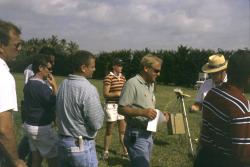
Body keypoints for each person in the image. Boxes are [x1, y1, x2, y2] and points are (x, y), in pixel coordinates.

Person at [194, 50, 250, 167]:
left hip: (204, 158)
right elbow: (243, 155)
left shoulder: (211, 94)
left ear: (227, 71)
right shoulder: (241, 107)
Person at [118, 54, 168, 167]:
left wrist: (160, 115)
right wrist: (143, 112)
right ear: (146, 68)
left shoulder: (150, 84)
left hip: (148, 134)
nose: (158, 74)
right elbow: (121, 109)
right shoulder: (132, 83)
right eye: (156, 71)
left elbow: (147, 106)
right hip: (136, 135)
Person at [56, 50, 104, 167]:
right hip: (80, 145)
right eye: (92, 67)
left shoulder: (63, 84)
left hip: (63, 142)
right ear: (83, 68)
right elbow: (96, 123)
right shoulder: (88, 89)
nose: (94, 69)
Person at [19, 47, 56, 167]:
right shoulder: (42, 87)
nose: (51, 72)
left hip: (29, 125)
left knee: (36, 157)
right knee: (54, 158)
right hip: (42, 128)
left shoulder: (29, 83)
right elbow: (54, 102)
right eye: (49, 69)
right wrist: (54, 86)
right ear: (40, 68)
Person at [0, 19, 27, 167]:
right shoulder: (3, 75)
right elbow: (3, 128)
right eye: (17, 45)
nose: (20, 48)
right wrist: (16, 161)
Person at [103, 58, 128, 159]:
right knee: (109, 130)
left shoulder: (123, 78)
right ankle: (105, 151)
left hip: (121, 106)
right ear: (114, 66)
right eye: (119, 65)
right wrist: (116, 94)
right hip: (111, 106)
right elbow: (105, 94)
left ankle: (126, 152)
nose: (121, 67)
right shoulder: (108, 77)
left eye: (121, 65)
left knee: (122, 131)